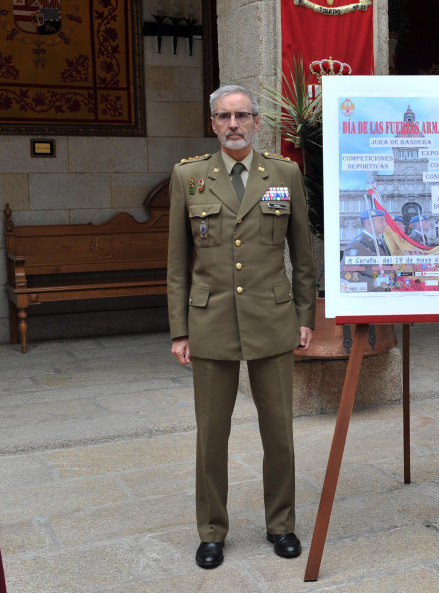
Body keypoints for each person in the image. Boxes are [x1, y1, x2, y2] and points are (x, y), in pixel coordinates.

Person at [167, 84, 317, 569]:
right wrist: (179, 330)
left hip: (272, 319)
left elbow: (303, 253)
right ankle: (211, 530)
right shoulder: (188, 177)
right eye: (224, 116)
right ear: (212, 123)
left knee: (279, 432)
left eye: (242, 116)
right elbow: (176, 262)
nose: (234, 124)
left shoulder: (284, 173)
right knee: (212, 435)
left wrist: (304, 317)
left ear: (257, 122)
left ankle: (282, 524)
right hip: (210, 322)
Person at [340, 209, 391, 292]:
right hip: (371, 295)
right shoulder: (358, 244)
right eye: (381, 221)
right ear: (368, 223)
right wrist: (374, 283)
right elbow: (345, 272)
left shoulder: (378, 241)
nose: (385, 224)